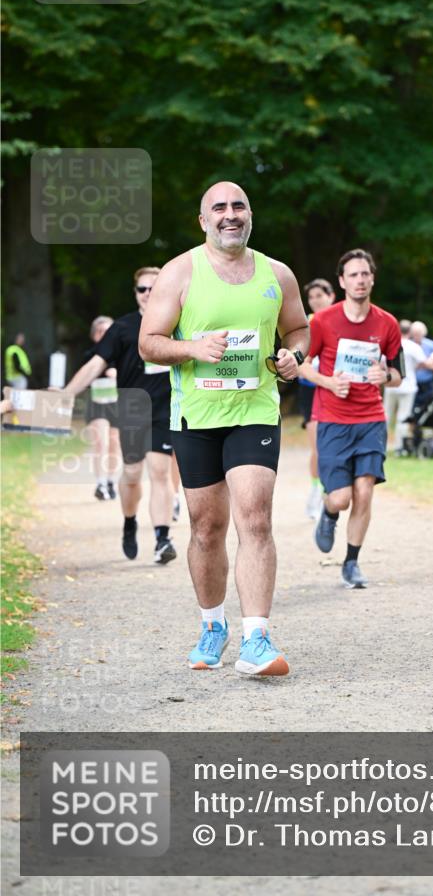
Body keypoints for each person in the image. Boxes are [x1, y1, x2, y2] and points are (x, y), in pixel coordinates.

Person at [138, 181, 309, 676]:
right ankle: (213, 626)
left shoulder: (276, 273)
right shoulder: (180, 272)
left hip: (254, 409)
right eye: (219, 207)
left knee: (255, 518)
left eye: (239, 206)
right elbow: (150, 343)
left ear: (250, 214)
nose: (230, 215)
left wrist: (293, 356)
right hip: (196, 417)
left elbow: (299, 328)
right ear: (203, 220)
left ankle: (256, 638)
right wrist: (193, 348)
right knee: (207, 528)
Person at [300, 249, 403, 589]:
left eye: (365, 274)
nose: (360, 280)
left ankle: (351, 563)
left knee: (365, 491)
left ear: (372, 278)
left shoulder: (387, 323)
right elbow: (300, 364)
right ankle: (329, 514)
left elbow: (398, 374)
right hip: (333, 419)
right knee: (341, 497)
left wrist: (383, 377)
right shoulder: (323, 321)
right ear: (342, 282)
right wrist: (328, 381)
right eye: (353, 275)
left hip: (371, 419)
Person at [64, 268, 177, 565]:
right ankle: (129, 522)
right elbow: (94, 365)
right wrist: (67, 393)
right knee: (131, 475)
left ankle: (163, 539)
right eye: (142, 289)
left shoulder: (178, 323)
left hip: (166, 408)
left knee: (161, 473)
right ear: (135, 293)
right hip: (132, 409)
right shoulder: (123, 328)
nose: (148, 294)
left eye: (154, 288)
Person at [299, 278, 336, 519]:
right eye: (311, 297)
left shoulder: (341, 320)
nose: (315, 301)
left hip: (334, 387)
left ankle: (330, 492)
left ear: (331, 296)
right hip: (310, 387)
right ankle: (315, 490)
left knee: (331, 446)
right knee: (316, 446)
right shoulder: (306, 323)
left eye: (319, 296)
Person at [84, 316, 121, 501]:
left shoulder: (121, 354)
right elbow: (87, 376)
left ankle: (110, 481)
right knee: (101, 443)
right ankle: (100, 483)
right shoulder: (91, 355)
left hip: (116, 405)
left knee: (114, 446)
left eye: (107, 330)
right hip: (97, 405)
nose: (103, 334)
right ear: (94, 335)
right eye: (99, 331)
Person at [384, 319, 427, 454]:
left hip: (391, 384)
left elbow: (382, 363)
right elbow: (423, 363)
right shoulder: (414, 347)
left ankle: (382, 445)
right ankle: (399, 447)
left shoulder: (390, 344)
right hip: (408, 386)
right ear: (410, 332)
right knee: (403, 417)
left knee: (386, 415)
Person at [410, 320, 433, 415]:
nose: (417, 335)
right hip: (413, 381)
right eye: (415, 333)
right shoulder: (409, 345)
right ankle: (413, 427)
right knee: (412, 406)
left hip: (427, 381)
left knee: (427, 405)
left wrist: (421, 364)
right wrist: (425, 363)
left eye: (419, 333)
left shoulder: (431, 345)